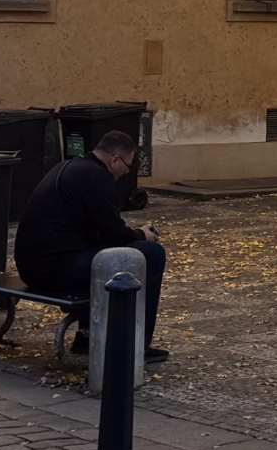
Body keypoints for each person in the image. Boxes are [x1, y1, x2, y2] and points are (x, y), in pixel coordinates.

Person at [14, 132, 168, 362]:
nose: (126, 172)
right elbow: (115, 234)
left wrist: (132, 234)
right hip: (55, 270)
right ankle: (136, 346)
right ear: (114, 160)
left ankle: (86, 337)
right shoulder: (97, 177)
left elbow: (103, 231)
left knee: (106, 255)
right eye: (127, 165)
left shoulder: (70, 167)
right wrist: (141, 235)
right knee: (152, 254)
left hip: (32, 267)